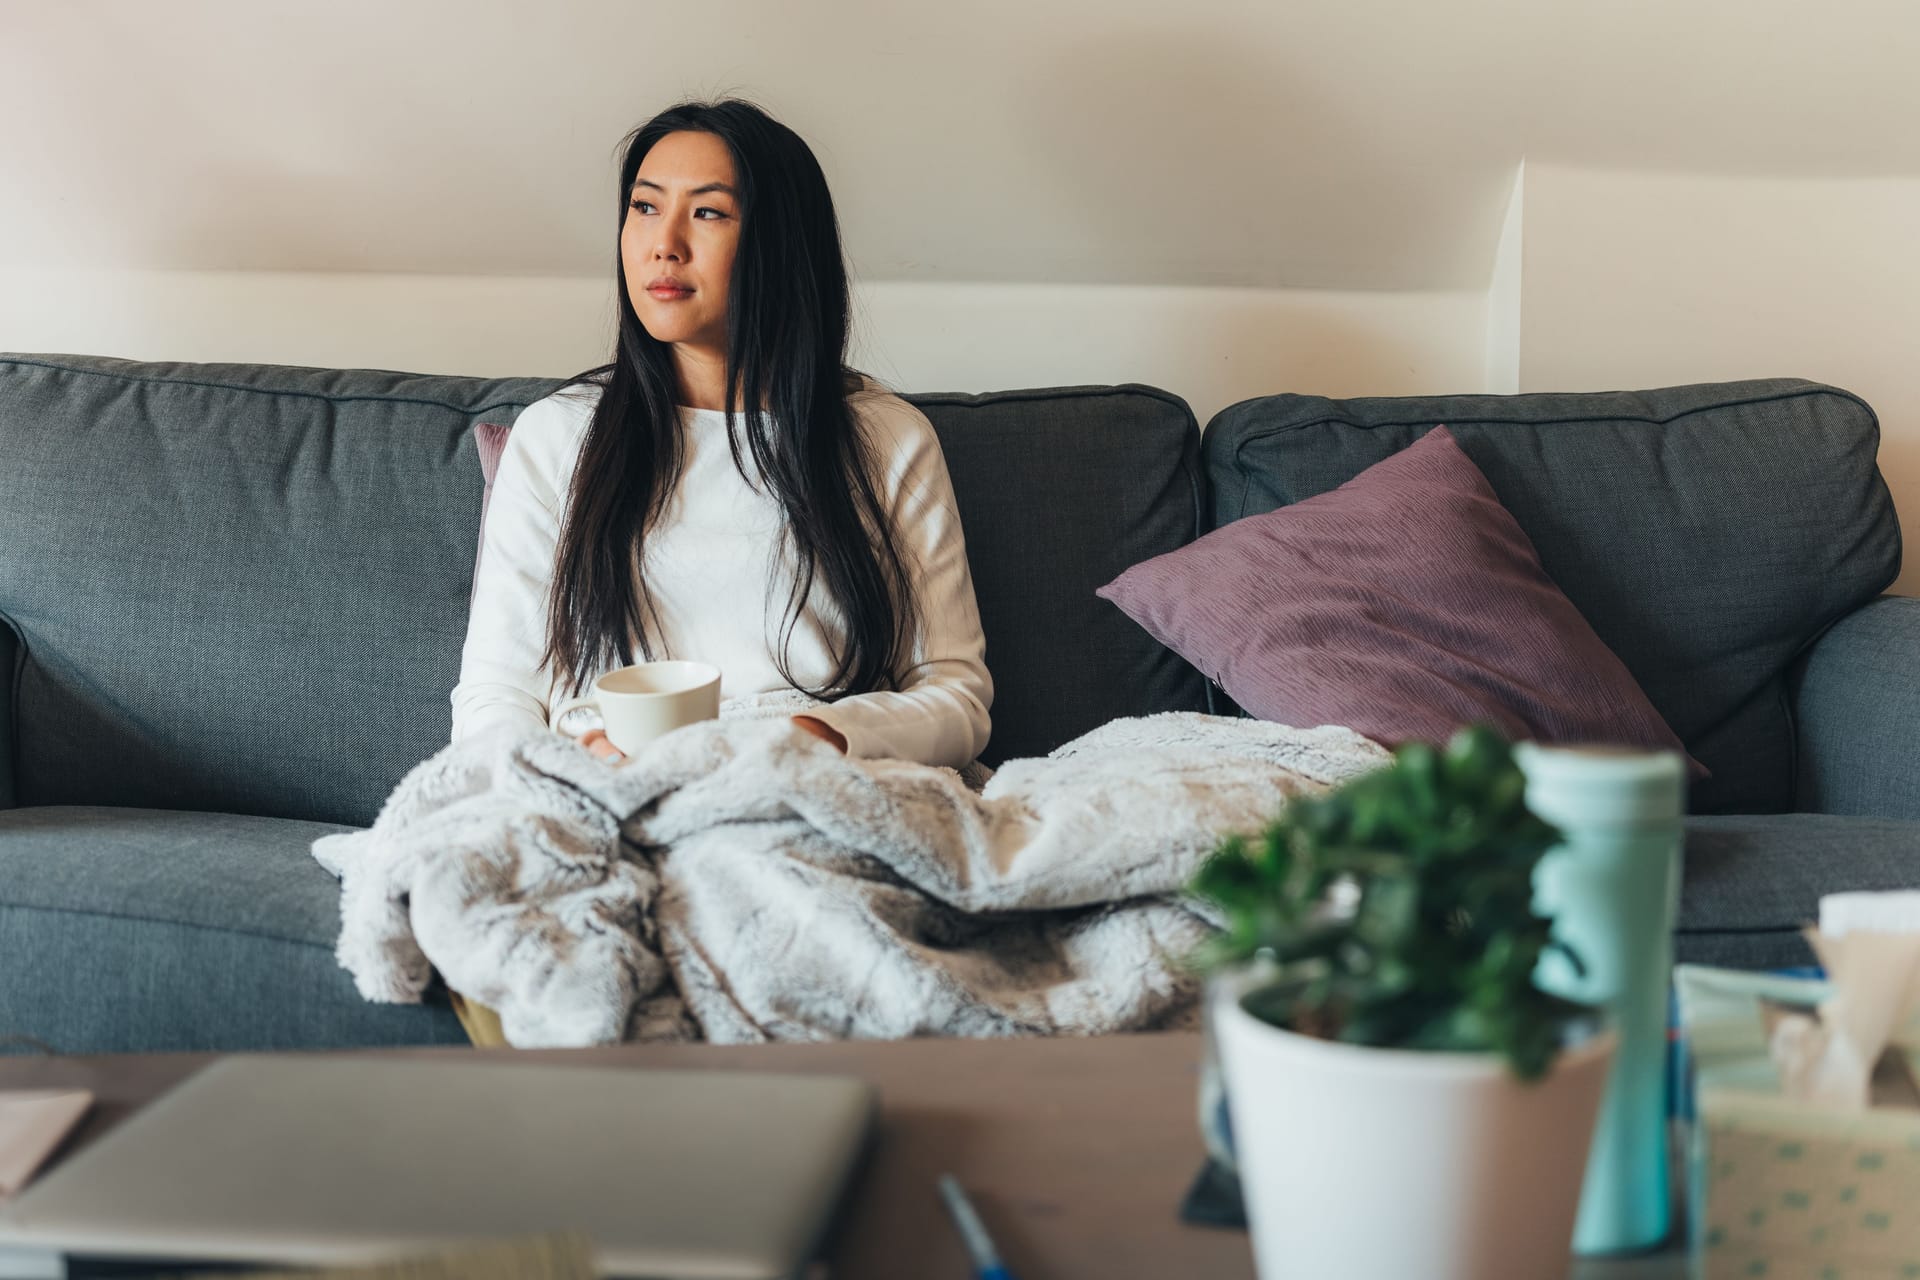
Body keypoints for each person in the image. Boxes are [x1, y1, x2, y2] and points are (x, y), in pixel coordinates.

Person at [451, 99, 992, 769]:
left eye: (707, 212)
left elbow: (955, 695)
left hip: (814, 782)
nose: (663, 243)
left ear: (780, 243)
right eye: (645, 207)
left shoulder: (888, 439)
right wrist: (585, 759)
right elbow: (494, 694)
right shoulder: (558, 436)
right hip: (604, 786)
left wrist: (815, 740)